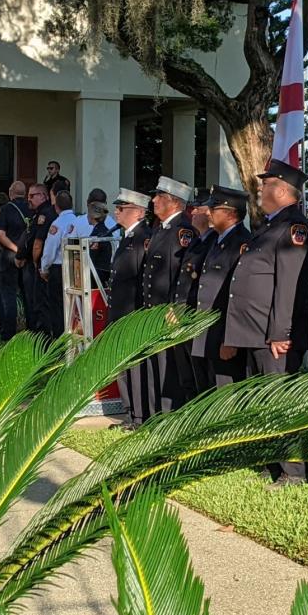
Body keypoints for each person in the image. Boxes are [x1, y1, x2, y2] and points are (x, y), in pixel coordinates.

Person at [223, 158, 308, 485]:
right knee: (261, 402)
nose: (260, 190)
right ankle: (269, 463)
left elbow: (289, 286)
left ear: (282, 189)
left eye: (265, 185)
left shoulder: (293, 228)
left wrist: (281, 333)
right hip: (255, 332)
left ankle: (293, 472)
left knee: (280, 402)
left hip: (274, 335)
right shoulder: (269, 227)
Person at [140, 175, 197, 413]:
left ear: (173, 201)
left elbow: (181, 274)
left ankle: (167, 416)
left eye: (159, 196)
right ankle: (156, 415)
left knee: (170, 371)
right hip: (155, 310)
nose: (153, 201)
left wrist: (175, 307)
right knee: (157, 366)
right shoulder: (162, 229)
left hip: (169, 312)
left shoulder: (182, 230)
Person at [190, 186, 250, 389]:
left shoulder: (241, 243)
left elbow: (239, 295)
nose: (208, 212)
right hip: (207, 332)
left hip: (224, 335)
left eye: (214, 208)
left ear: (231, 213)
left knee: (226, 393)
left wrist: (230, 338)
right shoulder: (217, 240)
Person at [108, 188, 152, 427]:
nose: (116, 212)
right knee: (123, 365)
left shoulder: (142, 237)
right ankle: (130, 412)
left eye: (121, 208)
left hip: (131, 312)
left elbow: (141, 278)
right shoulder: (127, 237)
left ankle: (138, 414)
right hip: (120, 312)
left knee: (134, 366)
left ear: (138, 212)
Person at [169, 189, 215, 398]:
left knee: (203, 377)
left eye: (198, 208)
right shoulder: (197, 241)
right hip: (184, 315)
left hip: (198, 316)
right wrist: (174, 306)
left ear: (208, 212)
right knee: (188, 375)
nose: (193, 212)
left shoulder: (214, 242)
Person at [0, 181, 33, 341]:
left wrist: (16, 252)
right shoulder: (31, 209)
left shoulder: (6, 209)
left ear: (11, 192)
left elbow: (0, 236)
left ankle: (8, 333)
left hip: (9, 257)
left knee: (8, 295)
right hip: (28, 258)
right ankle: (31, 331)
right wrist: (24, 253)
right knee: (28, 295)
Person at [37, 190, 77, 337]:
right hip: (76, 268)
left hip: (59, 269)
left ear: (56, 207)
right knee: (74, 306)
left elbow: (49, 250)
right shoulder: (79, 221)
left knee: (57, 307)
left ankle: (60, 340)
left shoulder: (57, 224)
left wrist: (44, 268)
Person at [25, 184, 55, 333]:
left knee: (40, 303)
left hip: (42, 264)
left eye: (32, 196)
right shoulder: (38, 213)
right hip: (46, 265)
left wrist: (36, 262)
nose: (28, 199)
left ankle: (42, 336)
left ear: (43, 196)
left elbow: (37, 243)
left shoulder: (44, 214)